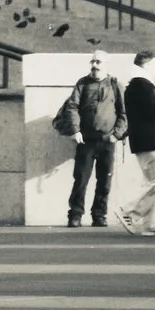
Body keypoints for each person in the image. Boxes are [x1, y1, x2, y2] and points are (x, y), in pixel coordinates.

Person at [55, 53, 125, 228]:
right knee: (80, 179)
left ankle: (99, 215)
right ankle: (75, 215)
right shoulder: (82, 83)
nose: (94, 65)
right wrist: (75, 130)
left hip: (107, 141)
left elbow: (124, 113)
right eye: (92, 61)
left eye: (98, 61)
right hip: (85, 140)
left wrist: (116, 135)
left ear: (106, 64)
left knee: (104, 180)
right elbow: (72, 107)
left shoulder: (115, 84)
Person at [116, 51, 155, 236]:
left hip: (143, 141)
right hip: (151, 141)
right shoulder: (143, 85)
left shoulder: (135, 85)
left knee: (152, 182)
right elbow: (153, 111)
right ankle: (129, 212)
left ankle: (151, 225)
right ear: (147, 65)